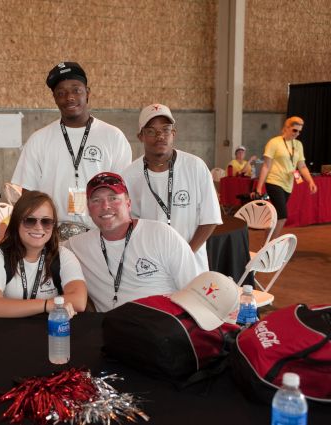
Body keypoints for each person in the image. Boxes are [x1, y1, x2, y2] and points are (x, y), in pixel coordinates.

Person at [11, 61, 132, 231]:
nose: (69, 97)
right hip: (52, 235)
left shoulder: (113, 136)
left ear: (87, 93)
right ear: (54, 98)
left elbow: (123, 190)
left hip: (100, 232)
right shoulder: (39, 139)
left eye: (76, 90)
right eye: (61, 93)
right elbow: (28, 195)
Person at [66, 172, 198, 312]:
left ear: (128, 204)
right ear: (89, 209)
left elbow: (193, 291)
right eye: (96, 200)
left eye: (113, 198)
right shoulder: (77, 246)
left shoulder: (161, 234)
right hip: (112, 328)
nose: (105, 206)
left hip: (163, 326)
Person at [122, 104, 221, 274]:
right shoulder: (129, 175)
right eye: (151, 131)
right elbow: (128, 224)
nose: (160, 136)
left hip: (192, 264)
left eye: (166, 129)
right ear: (141, 136)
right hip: (151, 265)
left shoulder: (195, 166)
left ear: (173, 134)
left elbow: (210, 218)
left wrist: (186, 254)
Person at [0, 191, 87, 318]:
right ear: (16, 223)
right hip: (7, 333)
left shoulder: (63, 256)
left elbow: (79, 301)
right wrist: (48, 305)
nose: (38, 227)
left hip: (49, 332)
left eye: (46, 221)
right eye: (30, 220)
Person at [254, 116, 317, 238]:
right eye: (294, 130)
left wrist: (310, 181)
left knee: (276, 216)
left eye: (299, 131)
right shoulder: (274, 142)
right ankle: (272, 245)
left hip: (288, 184)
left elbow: (302, 166)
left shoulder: (298, 145)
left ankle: (266, 244)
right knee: (282, 216)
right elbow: (266, 166)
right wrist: (259, 187)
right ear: (286, 128)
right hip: (274, 181)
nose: (297, 133)